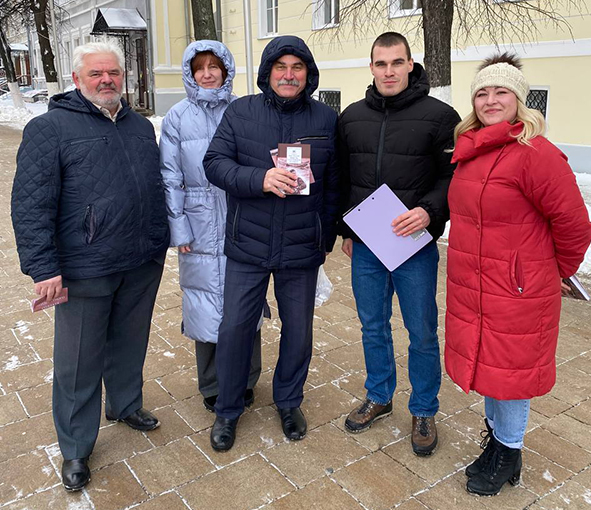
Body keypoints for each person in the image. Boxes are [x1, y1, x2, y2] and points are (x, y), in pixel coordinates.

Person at [11, 42, 169, 492]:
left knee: (130, 342)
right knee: (79, 360)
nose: (106, 80)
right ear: (77, 79)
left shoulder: (139, 126)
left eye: (113, 73)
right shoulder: (50, 128)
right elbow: (30, 204)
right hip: (85, 266)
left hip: (140, 259)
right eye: (96, 73)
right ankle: (77, 445)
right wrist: (44, 267)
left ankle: (125, 403)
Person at [446, 52, 591, 496]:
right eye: (483, 93)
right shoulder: (471, 151)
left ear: (519, 101)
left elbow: (574, 225)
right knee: (490, 367)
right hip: (475, 284)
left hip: (517, 289)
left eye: (501, 92)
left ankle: (508, 452)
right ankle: (496, 443)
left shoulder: (536, 154)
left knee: (509, 374)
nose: (491, 100)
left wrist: (553, 273)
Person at [203, 35, 339, 451]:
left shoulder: (326, 118)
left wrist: (326, 237)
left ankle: (289, 400)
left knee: (298, 330)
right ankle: (228, 409)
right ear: (268, 72)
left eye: (297, 67)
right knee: (235, 328)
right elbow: (214, 163)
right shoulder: (240, 112)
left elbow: (334, 183)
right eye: (281, 67)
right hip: (248, 242)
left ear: (308, 74)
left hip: (301, 246)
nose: (289, 75)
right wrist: (259, 178)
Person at [338, 32, 460, 455]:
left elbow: (454, 177)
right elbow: (343, 179)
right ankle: (379, 394)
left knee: (421, 330)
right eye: (381, 63)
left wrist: (429, 211)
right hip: (367, 244)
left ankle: (423, 408)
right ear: (371, 67)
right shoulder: (351, 117)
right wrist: (346, 231)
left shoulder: (440, 117)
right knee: (372, 324)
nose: (388, 71)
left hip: (414, 245)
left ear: (410, 64)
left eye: (396, 62)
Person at [159, 40, 261, 411]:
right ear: (190, 73)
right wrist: (179, 228)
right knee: (203, 302)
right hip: (199, 221)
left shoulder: (244, 109)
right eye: (199, 68)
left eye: (213, 66)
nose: (207, 74)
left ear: (225, 70)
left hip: (241, 216)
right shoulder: (177, 117)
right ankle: (213, 384)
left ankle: (246, 379)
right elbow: (170, 176)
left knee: (245, 300)